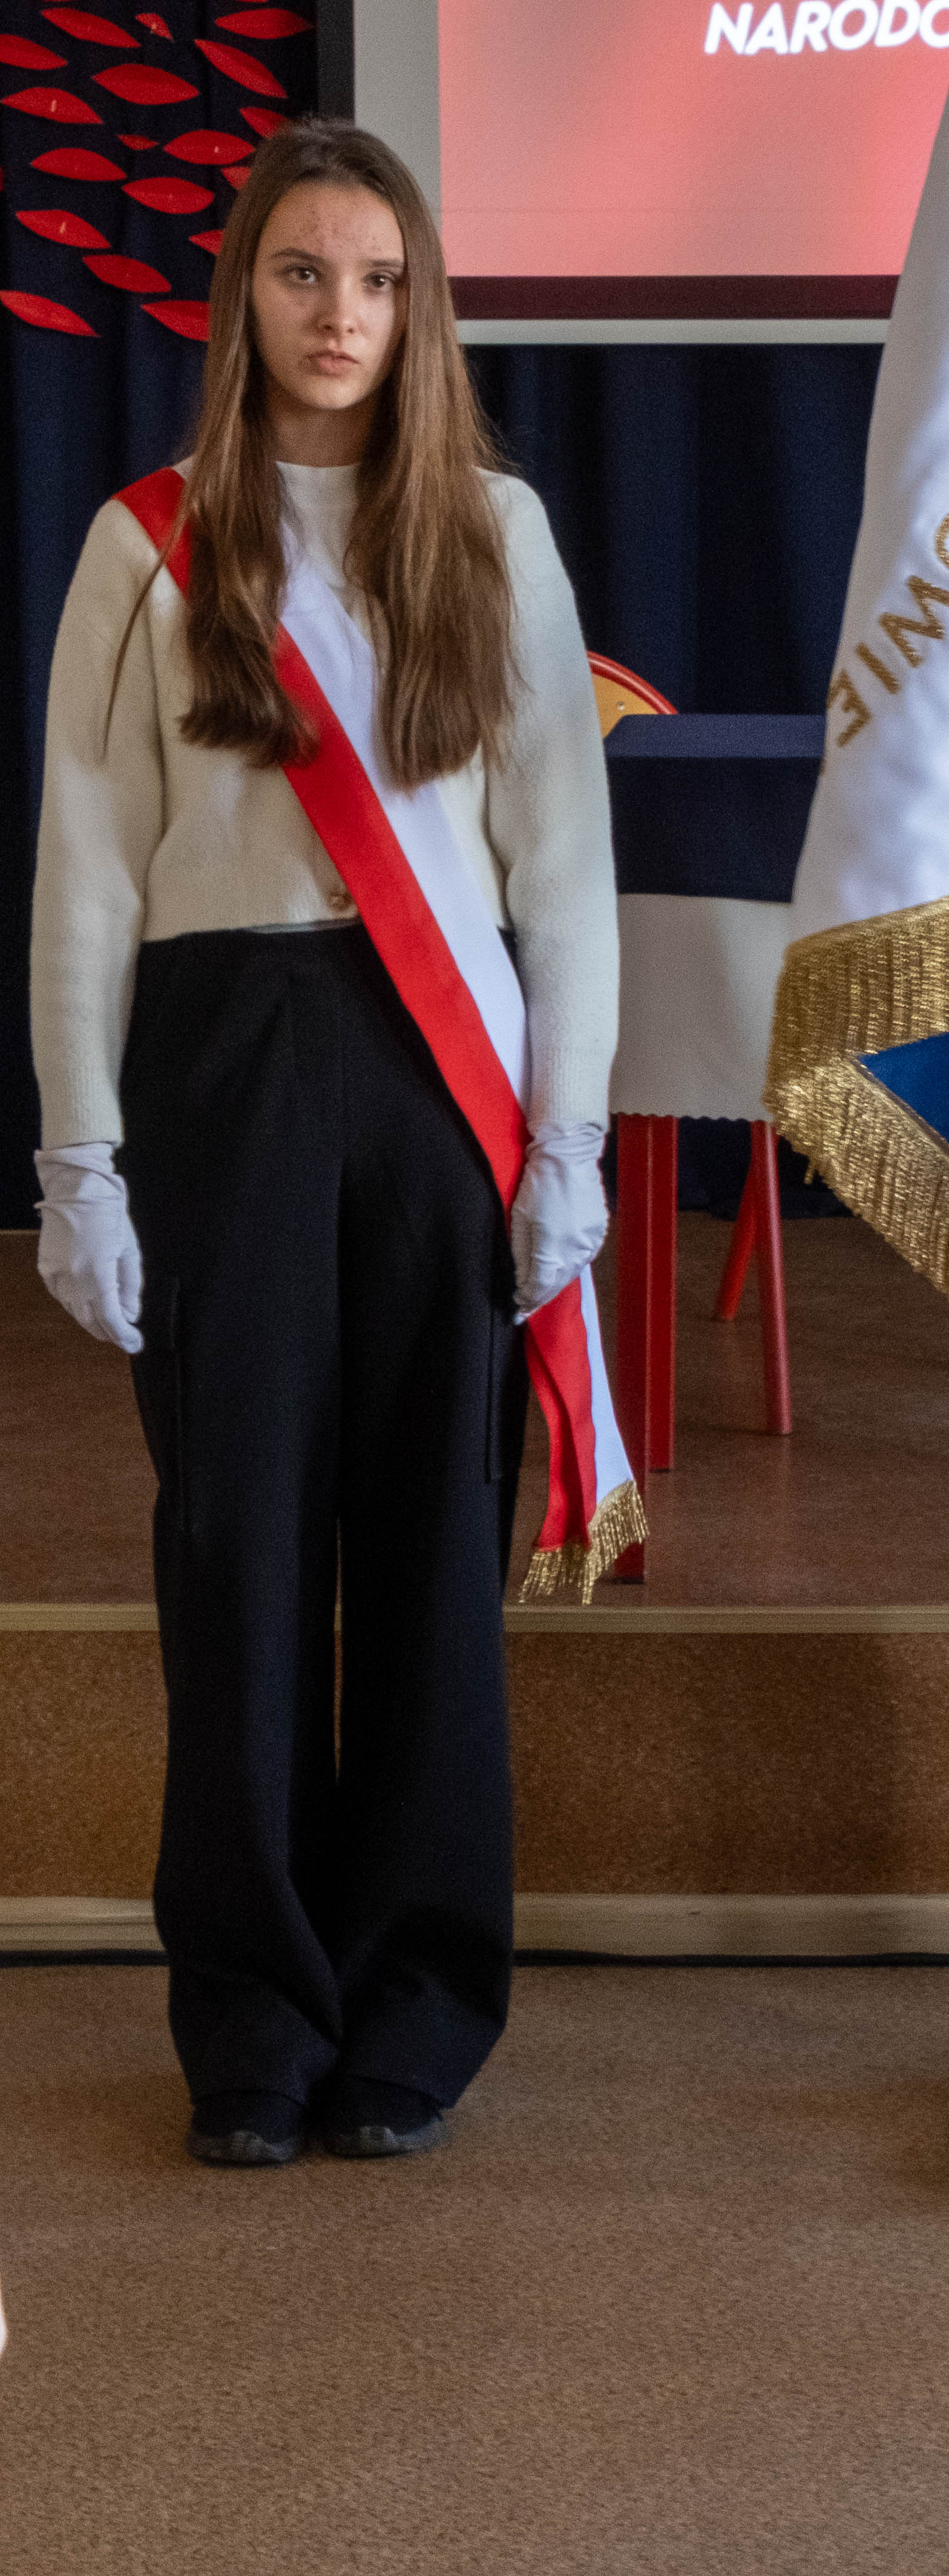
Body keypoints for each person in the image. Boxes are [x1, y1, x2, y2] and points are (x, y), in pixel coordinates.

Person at [30, 120, 618, 2169]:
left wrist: (569, 1150)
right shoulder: (146, 545)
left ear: (419, 305)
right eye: (303, 274)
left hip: (432, 1085)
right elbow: (90, 876)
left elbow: (568, 878)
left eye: (376, 280)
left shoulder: (496, 534)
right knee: (238, 1549)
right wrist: (82, 1158)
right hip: (226, 1062)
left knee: (426, 1552)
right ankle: (256, 2014)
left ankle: (421, 1995)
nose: (341, 315)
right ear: (245, 300)